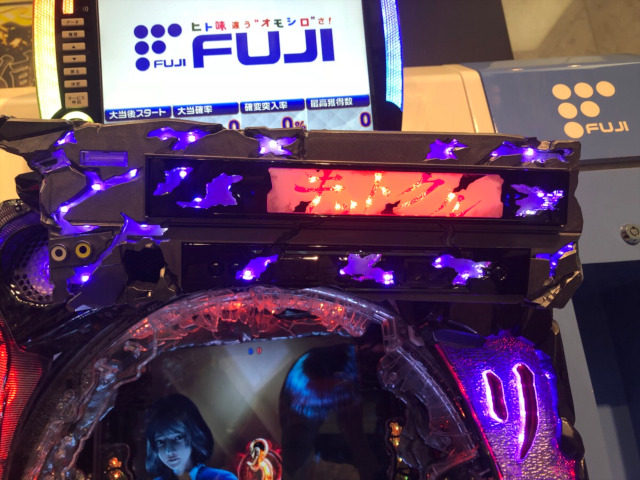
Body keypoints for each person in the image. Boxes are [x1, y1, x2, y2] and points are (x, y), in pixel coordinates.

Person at [145, 393, 238, 480]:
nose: (169, 451)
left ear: (194, 434)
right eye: (160, 442)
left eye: (178, 438)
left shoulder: (222, 478)